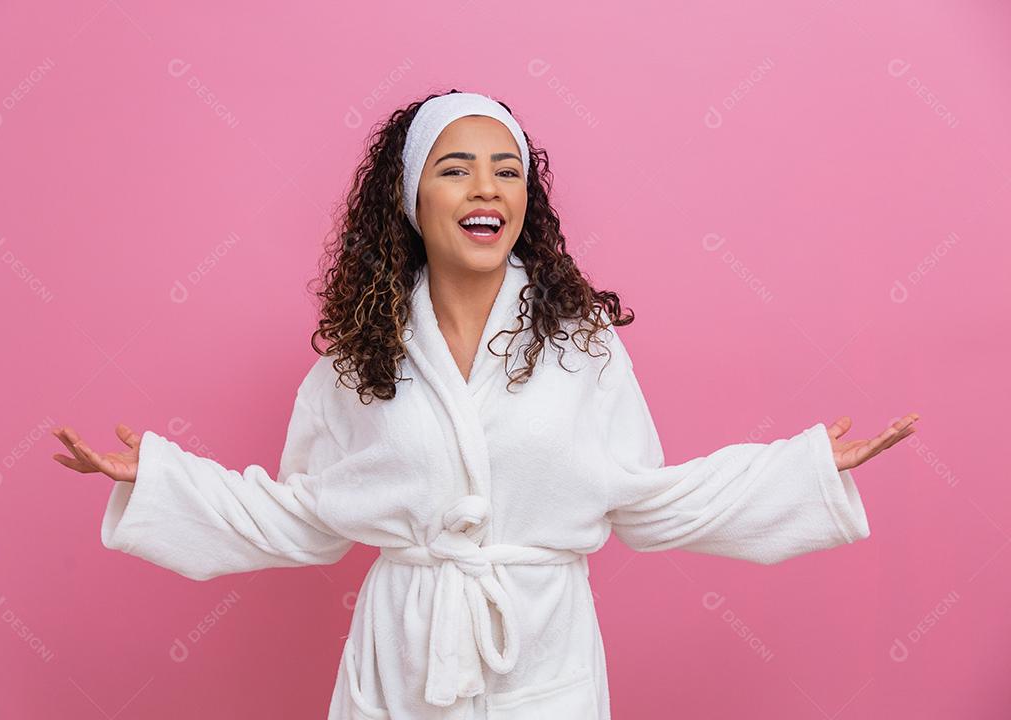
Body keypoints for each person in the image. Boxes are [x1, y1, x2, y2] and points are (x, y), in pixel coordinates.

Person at [52, 90, 920, 720]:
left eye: (507, 172)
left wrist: (802, 469)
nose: (486, 189)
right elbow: (305, 517)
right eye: (456, 169)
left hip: (541, 652)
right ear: (410, 199)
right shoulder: (363, 360)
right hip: (402, 657)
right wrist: (162, 482)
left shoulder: (581, 345)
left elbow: (647, 501)